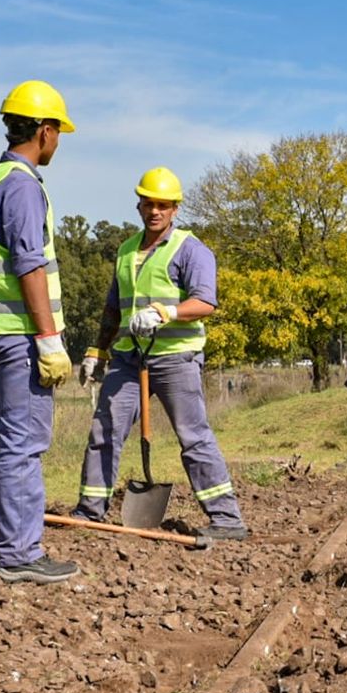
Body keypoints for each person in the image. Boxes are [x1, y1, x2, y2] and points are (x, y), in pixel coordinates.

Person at [72, 167, 251, 541]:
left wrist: (164, 312)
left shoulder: (191, 249)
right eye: (149, 204)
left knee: (193, 435)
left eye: (163, 206)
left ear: (174, 209)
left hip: (175, 358)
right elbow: (112, 307)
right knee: (104, 430)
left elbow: (205, 302)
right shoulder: (125, 250)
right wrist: (98, 350)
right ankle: (90, 512)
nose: (155, 211)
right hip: (127, 358)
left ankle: (226, 519)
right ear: (139, 205)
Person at [0, 80, 78, 584]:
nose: (58, 142)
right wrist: (49, 339)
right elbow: (30, 266)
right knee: (23, 442)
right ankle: (19, 553)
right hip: (19, 334)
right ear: (45, 130)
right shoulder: (24, 186)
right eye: (58, 132)